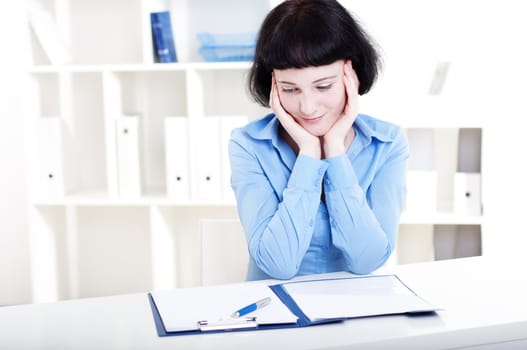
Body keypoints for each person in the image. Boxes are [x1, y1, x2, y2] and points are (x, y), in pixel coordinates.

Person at [229, 0, 409, 280]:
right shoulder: (249, 145)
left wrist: (335, 150)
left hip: (355, 314)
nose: (308, 107)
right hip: (276, 312)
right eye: (290, 89)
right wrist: (310, 154)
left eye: (323, 86)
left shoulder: (387, 143)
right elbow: (279, 265)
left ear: (351, 74)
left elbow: (367, 260)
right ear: (273, 84)